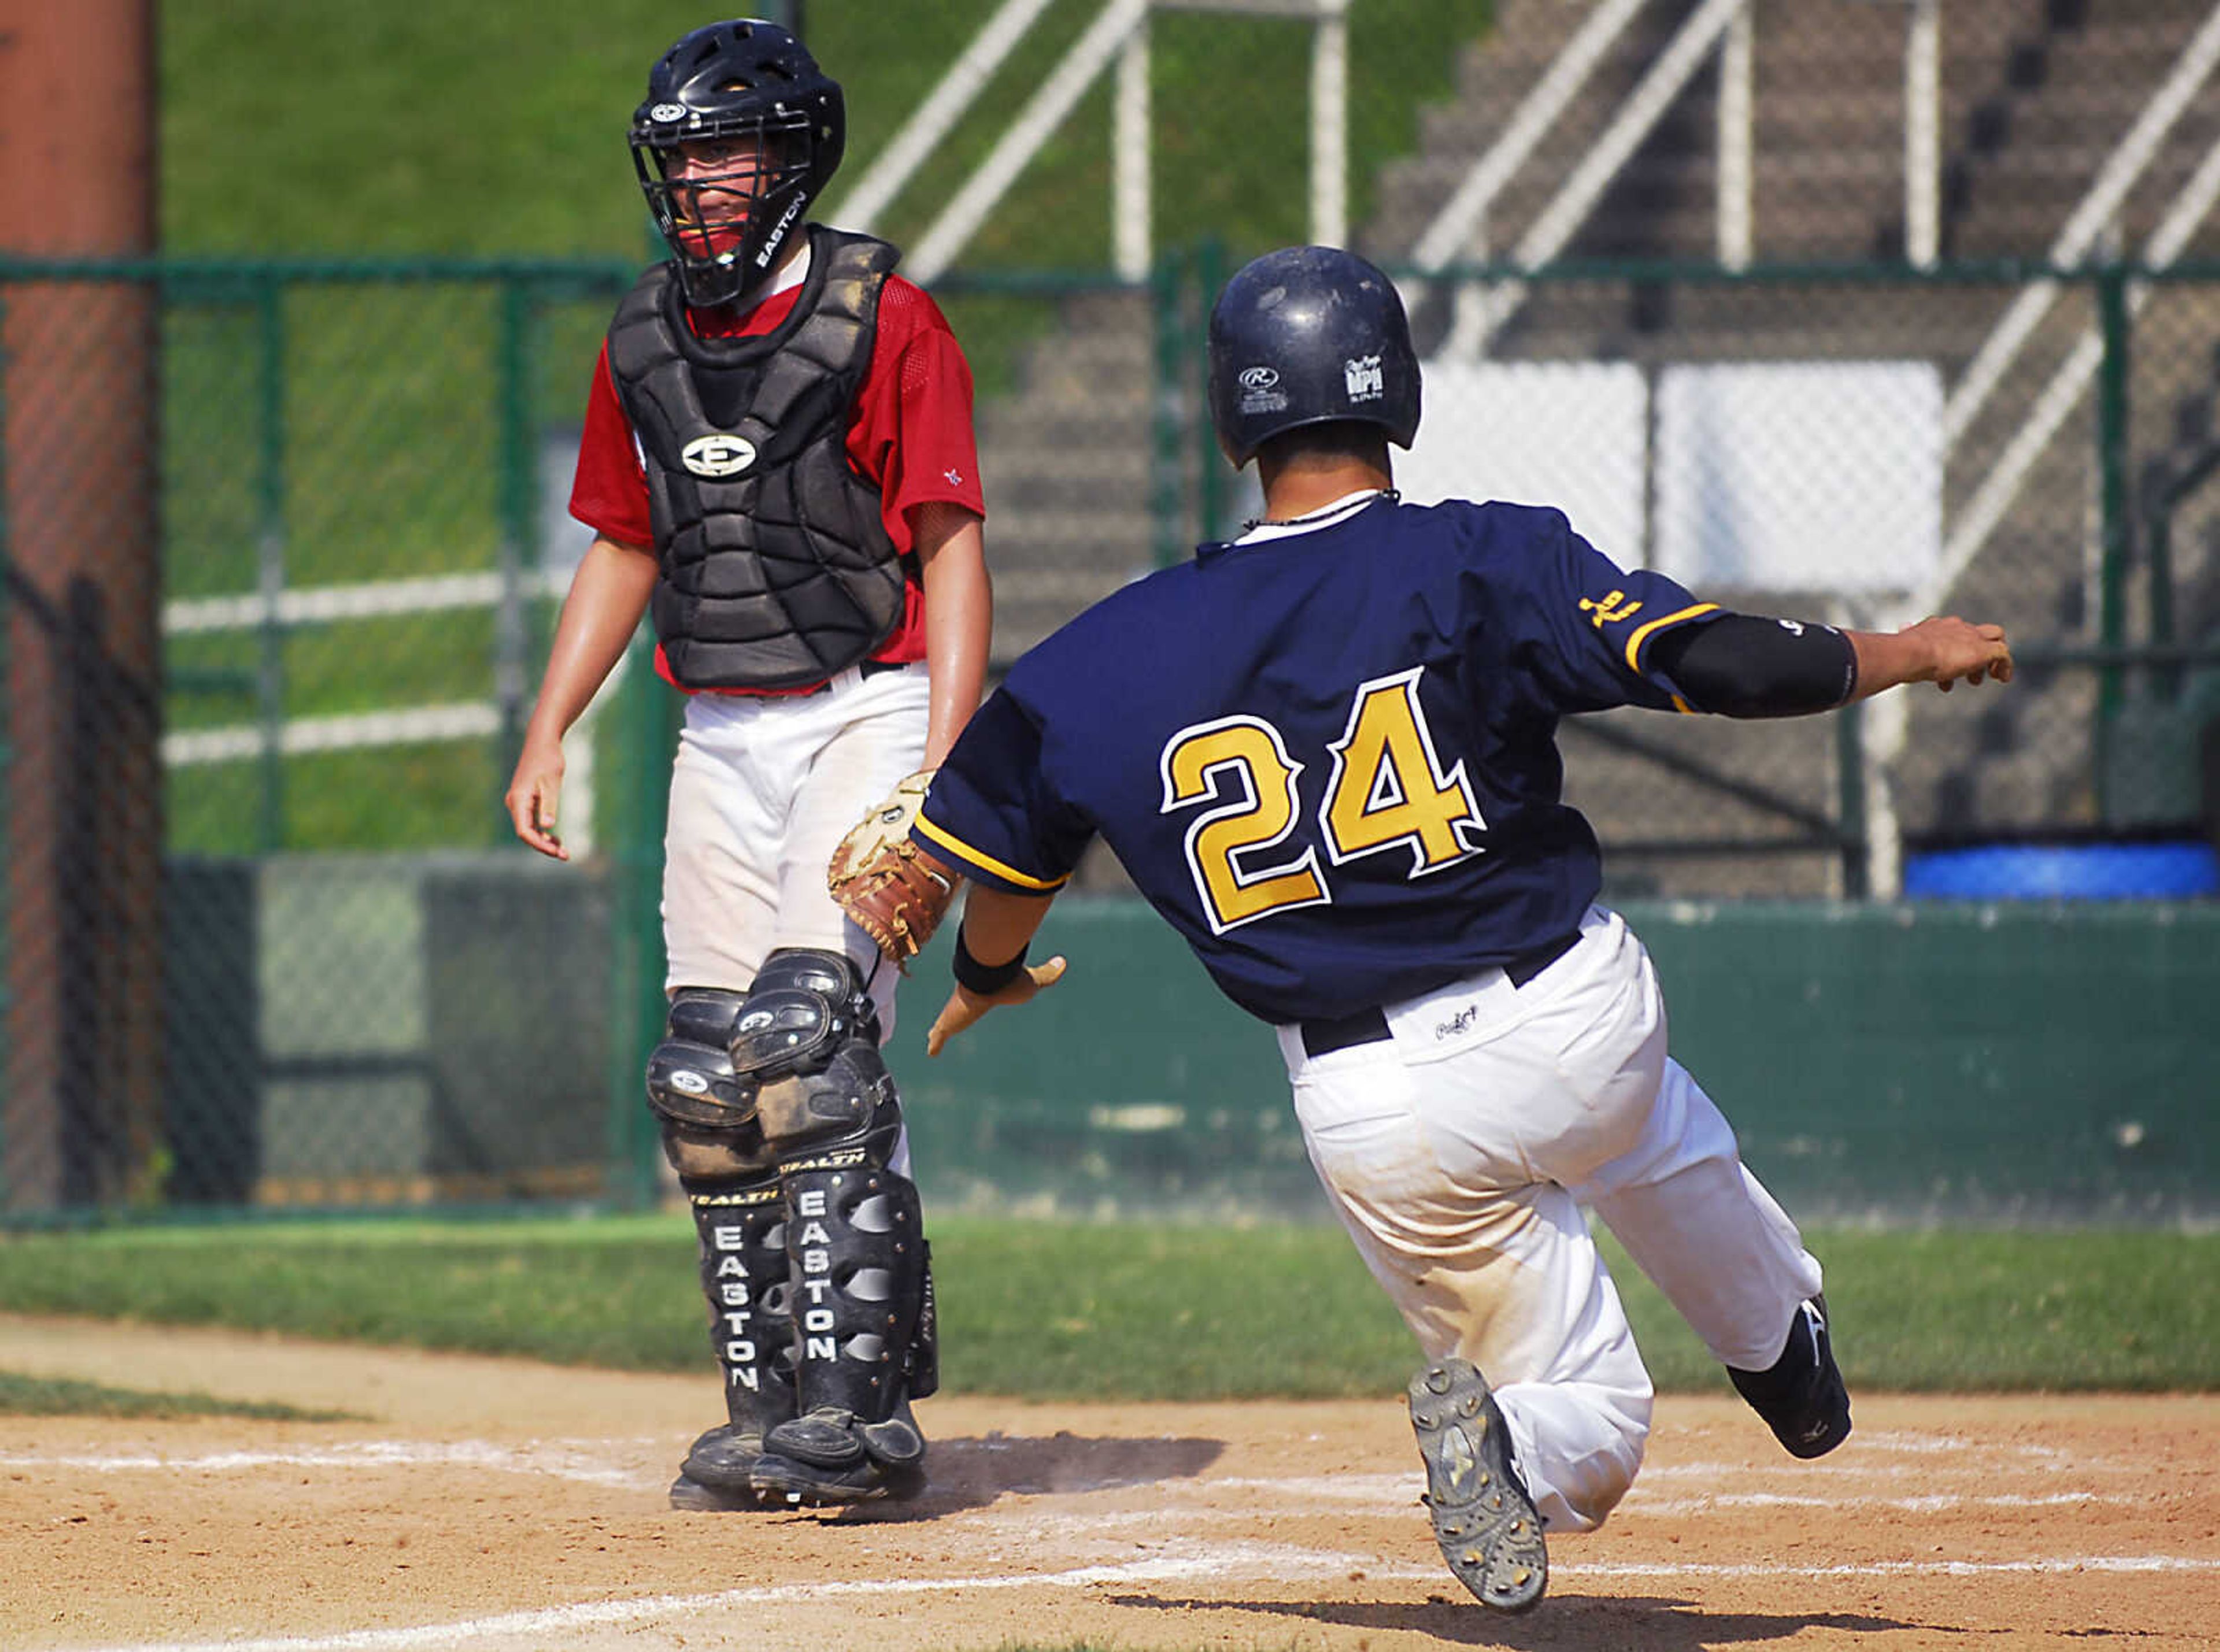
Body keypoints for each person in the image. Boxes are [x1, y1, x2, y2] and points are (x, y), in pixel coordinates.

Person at [904, 245, 2013, 1610]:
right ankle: (1778, 1334)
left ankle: (1514, 1441)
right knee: (1652, 1124)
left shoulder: (1105, 653)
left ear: (1231, 419)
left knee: (1587, 1418)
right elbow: (1710, 659)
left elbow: (1007, 851)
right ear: (1396, 392)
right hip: (1573, 1012)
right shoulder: (1487, 555)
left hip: (1374, 1106)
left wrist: (984, 972)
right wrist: (1903, 648)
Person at [504, 17, 991, 1512]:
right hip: (719, 723)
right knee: (708, 1073)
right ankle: (768, 1408)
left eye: (728, 154)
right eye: (682, 160)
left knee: (812, 1040)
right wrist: (546, 725)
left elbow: (951, 553)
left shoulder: (885, 319)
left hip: (869, 708)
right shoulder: (645, 337)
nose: (702, 185)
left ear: (793, 160)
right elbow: (627, 540)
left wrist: (946, 774)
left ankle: (865, 1410)